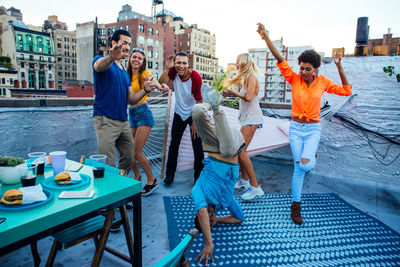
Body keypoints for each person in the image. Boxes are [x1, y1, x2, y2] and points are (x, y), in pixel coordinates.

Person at [257, 23, 352, 225]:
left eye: (307, 69)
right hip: (295, 129)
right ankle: (295, 206)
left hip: (312, 130)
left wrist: (339, 65)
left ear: (315, 69)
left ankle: (311, 158)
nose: (303, 72)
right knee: (299, 167)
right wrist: (266, 37)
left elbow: (346, 91)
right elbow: (279, 58)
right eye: (301, 68)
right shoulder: (294, 79)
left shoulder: (323, 82)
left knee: (305, 165)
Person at [191, 84, 246, 265]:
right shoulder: (226, 200)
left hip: (213, 145)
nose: (211, 216)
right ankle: (216, 107)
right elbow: (239, 219)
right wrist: (219, 221)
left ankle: (209, 103)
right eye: (210, 220)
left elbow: (202, 210)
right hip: (232, 143)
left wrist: (209, 243)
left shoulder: (197, 192)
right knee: (229, 150)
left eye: (208, 217)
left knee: (197, 111)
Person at [92, 30, 157, 176]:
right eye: (124, 43)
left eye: (129, 43)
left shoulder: (124, 73)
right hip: (105, 120)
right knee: (108, 163)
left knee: (129, 158)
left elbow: (131, 99)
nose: (127, 47)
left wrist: (145, 90)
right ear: (114, 43)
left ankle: (118, 184)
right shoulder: (102, 61)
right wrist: (110, 57)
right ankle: (111, 193)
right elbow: (98, 66)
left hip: (123, 122)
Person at [126, 48, 169, 196]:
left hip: (143, 114)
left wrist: (161, 86)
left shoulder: (144, 74)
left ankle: (152, 181)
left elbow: (154, 82)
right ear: (130, 58)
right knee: (129, 152)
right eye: (134, 57)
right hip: (131, 114)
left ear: (143, 62)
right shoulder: (126, 75)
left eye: (140, 58)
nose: (136, 60)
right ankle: (137, 177)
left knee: (137, 153)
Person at [224, 53, 265, 201]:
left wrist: (234, 92)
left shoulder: (252, 77)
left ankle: (255, 187)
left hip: (252, 118)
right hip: (246, 118)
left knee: (241, 151)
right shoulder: (246, 78)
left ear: (243, 63)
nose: (236, 65)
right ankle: (244, 180)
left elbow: (248, 98)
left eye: (237, 62)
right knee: (240, 150)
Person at [159, 52, 204, 185]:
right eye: (178, 62)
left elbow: (199, 101)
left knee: (197, 147)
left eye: (184, 63)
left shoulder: (195, 77)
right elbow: (161, 82)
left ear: (188, 64)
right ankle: (170, 175)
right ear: (175, 63)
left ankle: (198, 178)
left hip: (194, 113)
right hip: (179, 113)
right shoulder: (173, 72)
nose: (181, 66)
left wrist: (195, 121)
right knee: (174, 144)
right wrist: (167, 68)